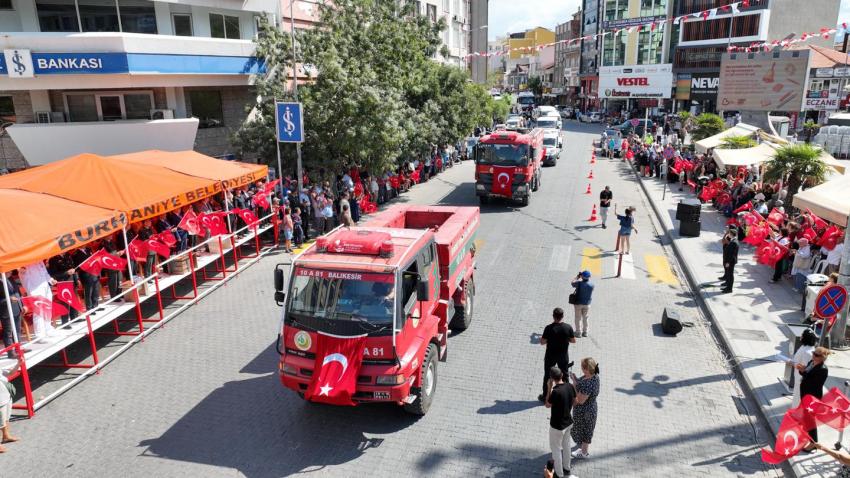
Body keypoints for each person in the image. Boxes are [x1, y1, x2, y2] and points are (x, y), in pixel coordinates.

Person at [539, 308, 576, 402]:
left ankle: (545, 396)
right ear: (562, 316)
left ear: (553, 316)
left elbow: (542, 342)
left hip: (550, 355)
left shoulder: (548, 328)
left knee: (547, 375)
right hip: (563, 356)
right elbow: (573, 340)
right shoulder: (568, 327)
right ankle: (566, 395)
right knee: (565, 375)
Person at [545, 366, 577, 478]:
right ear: (562, 375)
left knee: (556, 449)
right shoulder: (570, 386)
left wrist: (549, 388)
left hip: (557, 426)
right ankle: (567, 468)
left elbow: (547, 405)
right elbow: (575, 402)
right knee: (567, 446)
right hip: (568, 422)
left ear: (552, 379)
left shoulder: (555, 392)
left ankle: (558, 474)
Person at [798, 346, 830, 451]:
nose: (813, 356)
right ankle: (807, 437)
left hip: (813, 397)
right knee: (805, 418)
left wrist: (804, 372)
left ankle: (813, 443)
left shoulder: (823, 370)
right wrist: (801, 370)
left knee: (810, 420)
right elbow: (805, 374)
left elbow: (814, 383)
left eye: (816, 355)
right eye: (813, 353)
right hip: (805, 394)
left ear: (822, 358)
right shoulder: (811, 363)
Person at [570, 357, 600, 460]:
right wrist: (576, 379)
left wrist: (574, 385)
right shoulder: (593, 376)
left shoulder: (588, 384)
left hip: (585, 411)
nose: (581, 369)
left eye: (582, 367)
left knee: (586, 430)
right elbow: (581, 385)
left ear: (587, 369)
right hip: (590, 408)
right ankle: (582, 448)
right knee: (586, 429)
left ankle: (583, 452)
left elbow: (580, 400)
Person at [19, 261, 56, 342]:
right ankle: (40, 335)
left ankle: (48, 329)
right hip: (35, 289)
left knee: (47, 308)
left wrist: (51, 280)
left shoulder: (39, 260)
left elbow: (45, 273)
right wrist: (29, 291)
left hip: (45, 286)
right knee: (38, 312)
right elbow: (23, 277)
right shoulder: (23, 262)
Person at [787, 328, 817, 407]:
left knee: (798, 398)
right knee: (796, 396)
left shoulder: (808, 353)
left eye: (802, 335)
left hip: (801, 380)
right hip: (798, 377)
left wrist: (791, 363)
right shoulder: (804, 347)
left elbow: (804, 368)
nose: (800, 337)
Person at [0, 275, 24, 358]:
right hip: (5, 310)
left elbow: (17, 293)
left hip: (16, 307)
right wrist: (8, 299)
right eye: (8, 271)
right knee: (8, 332)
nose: (10, 272)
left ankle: (19, 348)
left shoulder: (11, 279)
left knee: (17, 330)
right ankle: (11, 352)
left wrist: (22, 305)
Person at [0, 370, 21, 453]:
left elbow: (9, 374)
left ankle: (6, 436)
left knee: (6, 418)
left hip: (6, 396)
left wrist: (19, 363)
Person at [570, 271, 594, 337]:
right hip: (587, 304)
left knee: (578, 318)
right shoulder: (592, 285)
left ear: (582, 277)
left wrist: (577, 277)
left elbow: (572, 283)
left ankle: (578, 332)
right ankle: (585, 332)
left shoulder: (579, 283)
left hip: (578, 304)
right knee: (585, 318)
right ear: (589, 277)